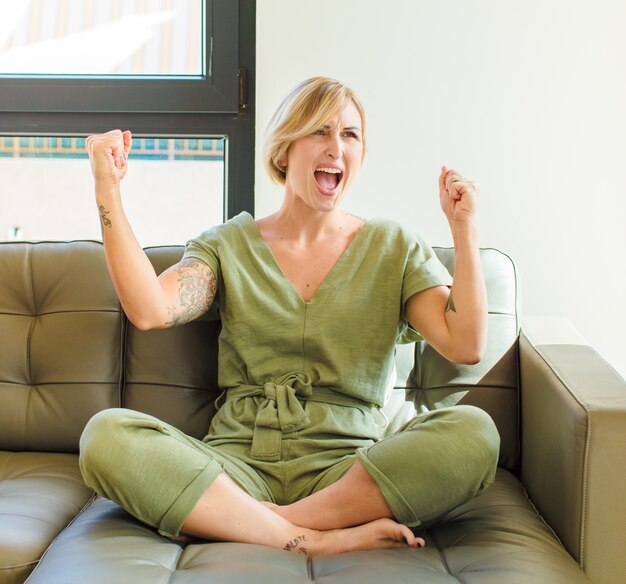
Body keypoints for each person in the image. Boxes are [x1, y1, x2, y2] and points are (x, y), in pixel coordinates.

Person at [80, 77, 499, 558]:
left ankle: (262, 526)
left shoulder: (392, 247)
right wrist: (106, 188)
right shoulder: (227, 245)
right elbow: (150, 309)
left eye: (350, 135)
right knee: (105, 435)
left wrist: (463, 228)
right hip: (235, 468)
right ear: (284, 150)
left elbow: (466, 345)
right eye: (319, 132)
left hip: (350, 472)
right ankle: (312, 541)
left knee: (474, 434)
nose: (335, 148)